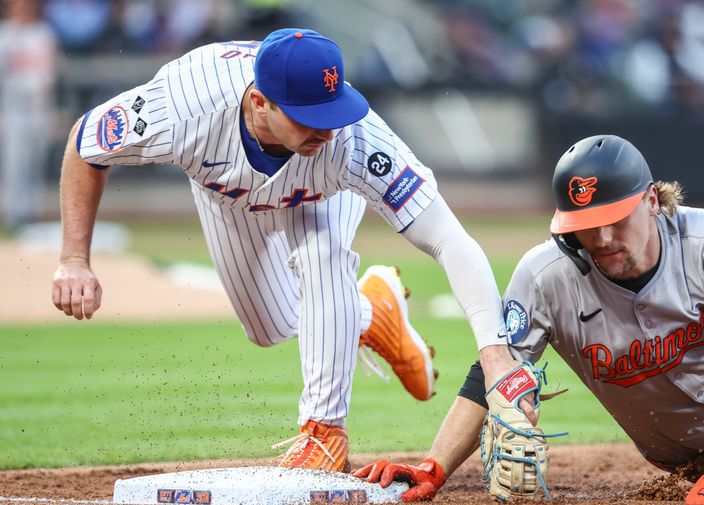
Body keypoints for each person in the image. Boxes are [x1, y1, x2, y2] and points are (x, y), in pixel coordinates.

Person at [50, 28, 523, 472]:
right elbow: (86, 144)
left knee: (323, 254)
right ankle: (369, 313)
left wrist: (495, 352)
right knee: (269, 326)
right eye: (310, 117)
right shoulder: (181, 107)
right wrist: (74, 258)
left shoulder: (351, 141)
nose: (328, 129)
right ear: (260, 103)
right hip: (226, 193)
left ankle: (323, 433)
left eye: (332, 112)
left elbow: (447, 237)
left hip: (321, 193)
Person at [355, 134, 704, 505]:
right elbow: (492, 375)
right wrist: (433, 466)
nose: (602, 239)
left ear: (651, 201)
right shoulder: (545, 276)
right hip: (696, 448)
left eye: (614, 220)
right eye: (586, 226)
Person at [0, 0, 58, 230]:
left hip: (39, 104)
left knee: (36, 158)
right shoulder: (5, 33)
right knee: (15, 161)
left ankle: (32, 212)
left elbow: (49, 71)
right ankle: (14, 213)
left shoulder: (43, 33)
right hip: (12, 105)